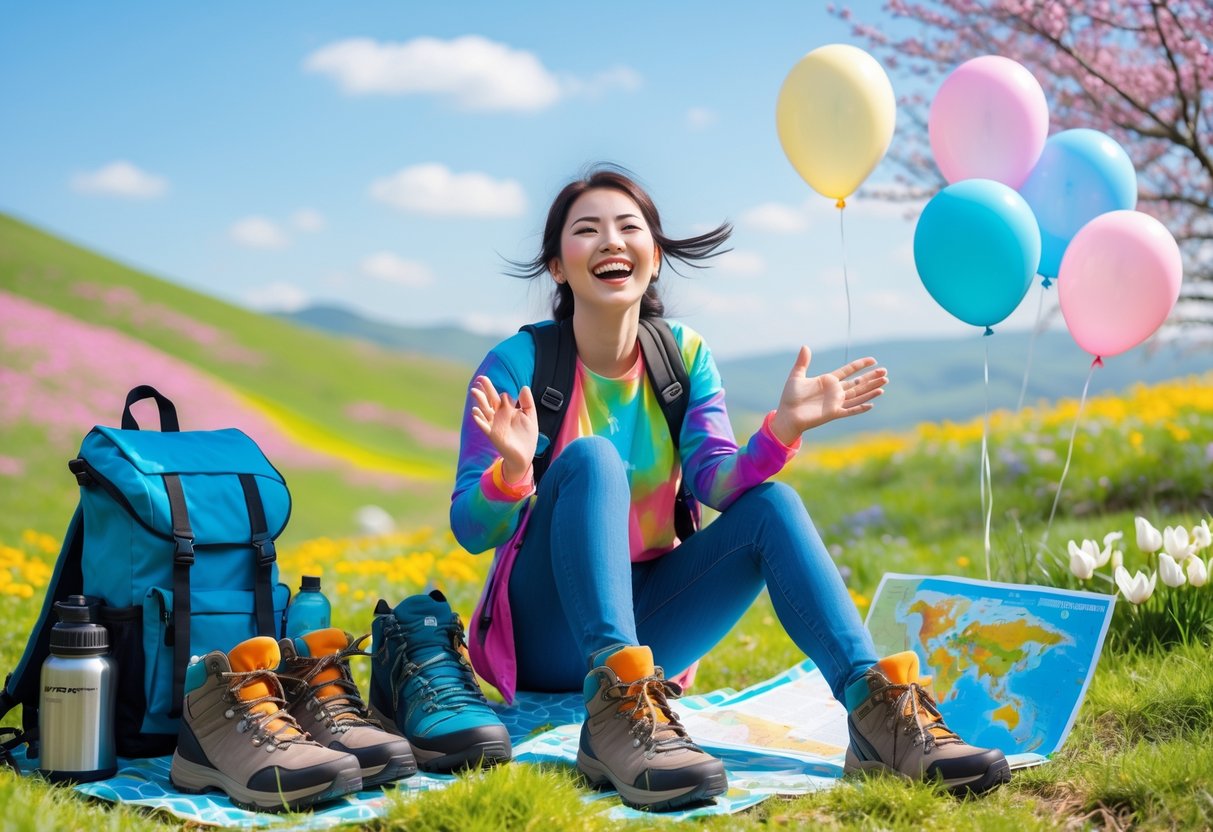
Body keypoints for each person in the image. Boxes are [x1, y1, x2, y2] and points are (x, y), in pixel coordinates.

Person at [450, 166, 1010, 810]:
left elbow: (718, 480)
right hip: (548, 631)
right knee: (593, 460)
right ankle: (614, 716)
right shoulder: (516, 368)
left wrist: (783, 428)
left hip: (653, 620)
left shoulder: (682, 357)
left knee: (772, 503)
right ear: (557, 266)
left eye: (629, 227)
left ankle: (875, 712)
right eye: (588, 230)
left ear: (654, 256)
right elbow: (471, 530)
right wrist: (515, 474)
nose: (611, 240)